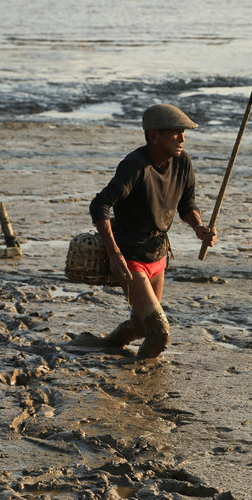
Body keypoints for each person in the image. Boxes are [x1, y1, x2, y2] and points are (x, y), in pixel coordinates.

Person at [89, 103, 217, 359]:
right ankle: (142, 380)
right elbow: (100, 205)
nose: (182, 138)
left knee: (140, 325)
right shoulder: (135, 166)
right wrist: (114, 255)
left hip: (158, 255)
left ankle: (104, 345)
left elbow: (187, 205)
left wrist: (199, 227)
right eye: (175, 132)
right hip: (132, 258)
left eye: (183, 132)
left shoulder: (183, 162)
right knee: (159, 332)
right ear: (153, 136)